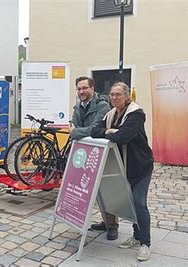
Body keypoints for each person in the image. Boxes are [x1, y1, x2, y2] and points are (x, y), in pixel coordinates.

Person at [91, 82, 154, 261]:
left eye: (118, 94)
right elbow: (96, 130)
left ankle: (145, 244)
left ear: (127, 96)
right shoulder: (111, 114)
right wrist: (109, 131)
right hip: (123, 166)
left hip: (140, 166)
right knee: (130, 202)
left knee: (139, 203)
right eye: (111, 94)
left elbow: (123, 137)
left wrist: (110, 132)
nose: (114, 98)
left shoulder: (136, 114)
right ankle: (136, 236)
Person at [69, 76, 117, 240]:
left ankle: (112, 226)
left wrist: (76, 133)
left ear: (92, 88)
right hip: (84, 152)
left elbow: (95, 129)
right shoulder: (78, 105)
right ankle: (104, 221)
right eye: (79, 89)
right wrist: (77, 130)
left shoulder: (102, 105)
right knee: (90, 190)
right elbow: (74, 123)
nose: (81, 91)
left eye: (84, 88)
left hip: (102, 153)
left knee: (106, 189)